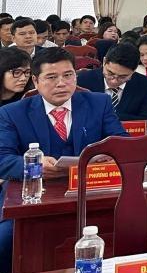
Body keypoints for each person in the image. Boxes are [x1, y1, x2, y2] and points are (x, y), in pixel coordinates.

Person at [0, 48, 127, 179]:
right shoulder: (11, 113)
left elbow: (122, 143)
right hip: (40, 186)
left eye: (67, 75)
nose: (61, 84)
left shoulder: (99, 103)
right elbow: (2, 159)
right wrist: (35, 167)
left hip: (90, 182)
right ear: (35, 81)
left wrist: (110, 157)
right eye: (51, 77)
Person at [77, 43, 147, 123]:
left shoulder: (145, 85)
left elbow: (146, 120)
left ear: (133, 71)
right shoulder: (83, 80)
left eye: (122, 77)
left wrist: (109, 116)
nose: (114, 81)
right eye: (110, 73)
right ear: (104, 61)